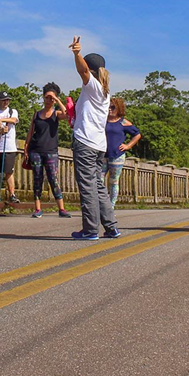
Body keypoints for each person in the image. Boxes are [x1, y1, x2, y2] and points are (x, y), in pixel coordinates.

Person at [68, 36, 120, 240]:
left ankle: (90, 230)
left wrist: (76, 54)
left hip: (86, 143)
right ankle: (111, 227)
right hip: (98, 145)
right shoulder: (105, 91)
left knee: (88, 187)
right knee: (98, 186)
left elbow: (82, 71)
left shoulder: (93, 86)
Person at [23, 82, 71, 218]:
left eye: (52, 98)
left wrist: (57, 100)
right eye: (47, 97)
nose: (49, 100)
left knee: (53, 179)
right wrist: (26, 147)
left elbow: (68, 115)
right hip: (36, 150)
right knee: (37, 179)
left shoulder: (56, 113)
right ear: (43, 98)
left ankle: (61, 208)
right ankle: (38, 209)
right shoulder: (36, 114)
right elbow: (30, 132)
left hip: (51, 151)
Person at [104, 96, 141, 206]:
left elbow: (137, 134)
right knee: (98, 180)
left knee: (113, 181)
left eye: (113, 107)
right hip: (102, 155)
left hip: (117, 155)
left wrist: (128, 146)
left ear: (119, 108)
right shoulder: (102, 119)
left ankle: (111, 206)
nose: (110, 109)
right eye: (108, 107)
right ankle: (101, 204)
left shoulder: (123, 122)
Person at [0, 91, 21, 205]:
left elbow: (13, 120)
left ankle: (12, 194)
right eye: (3, 100)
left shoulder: (12, 111)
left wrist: (1, 120)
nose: (6, 102)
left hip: (9, 147)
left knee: (9, 172)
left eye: (7, 100)